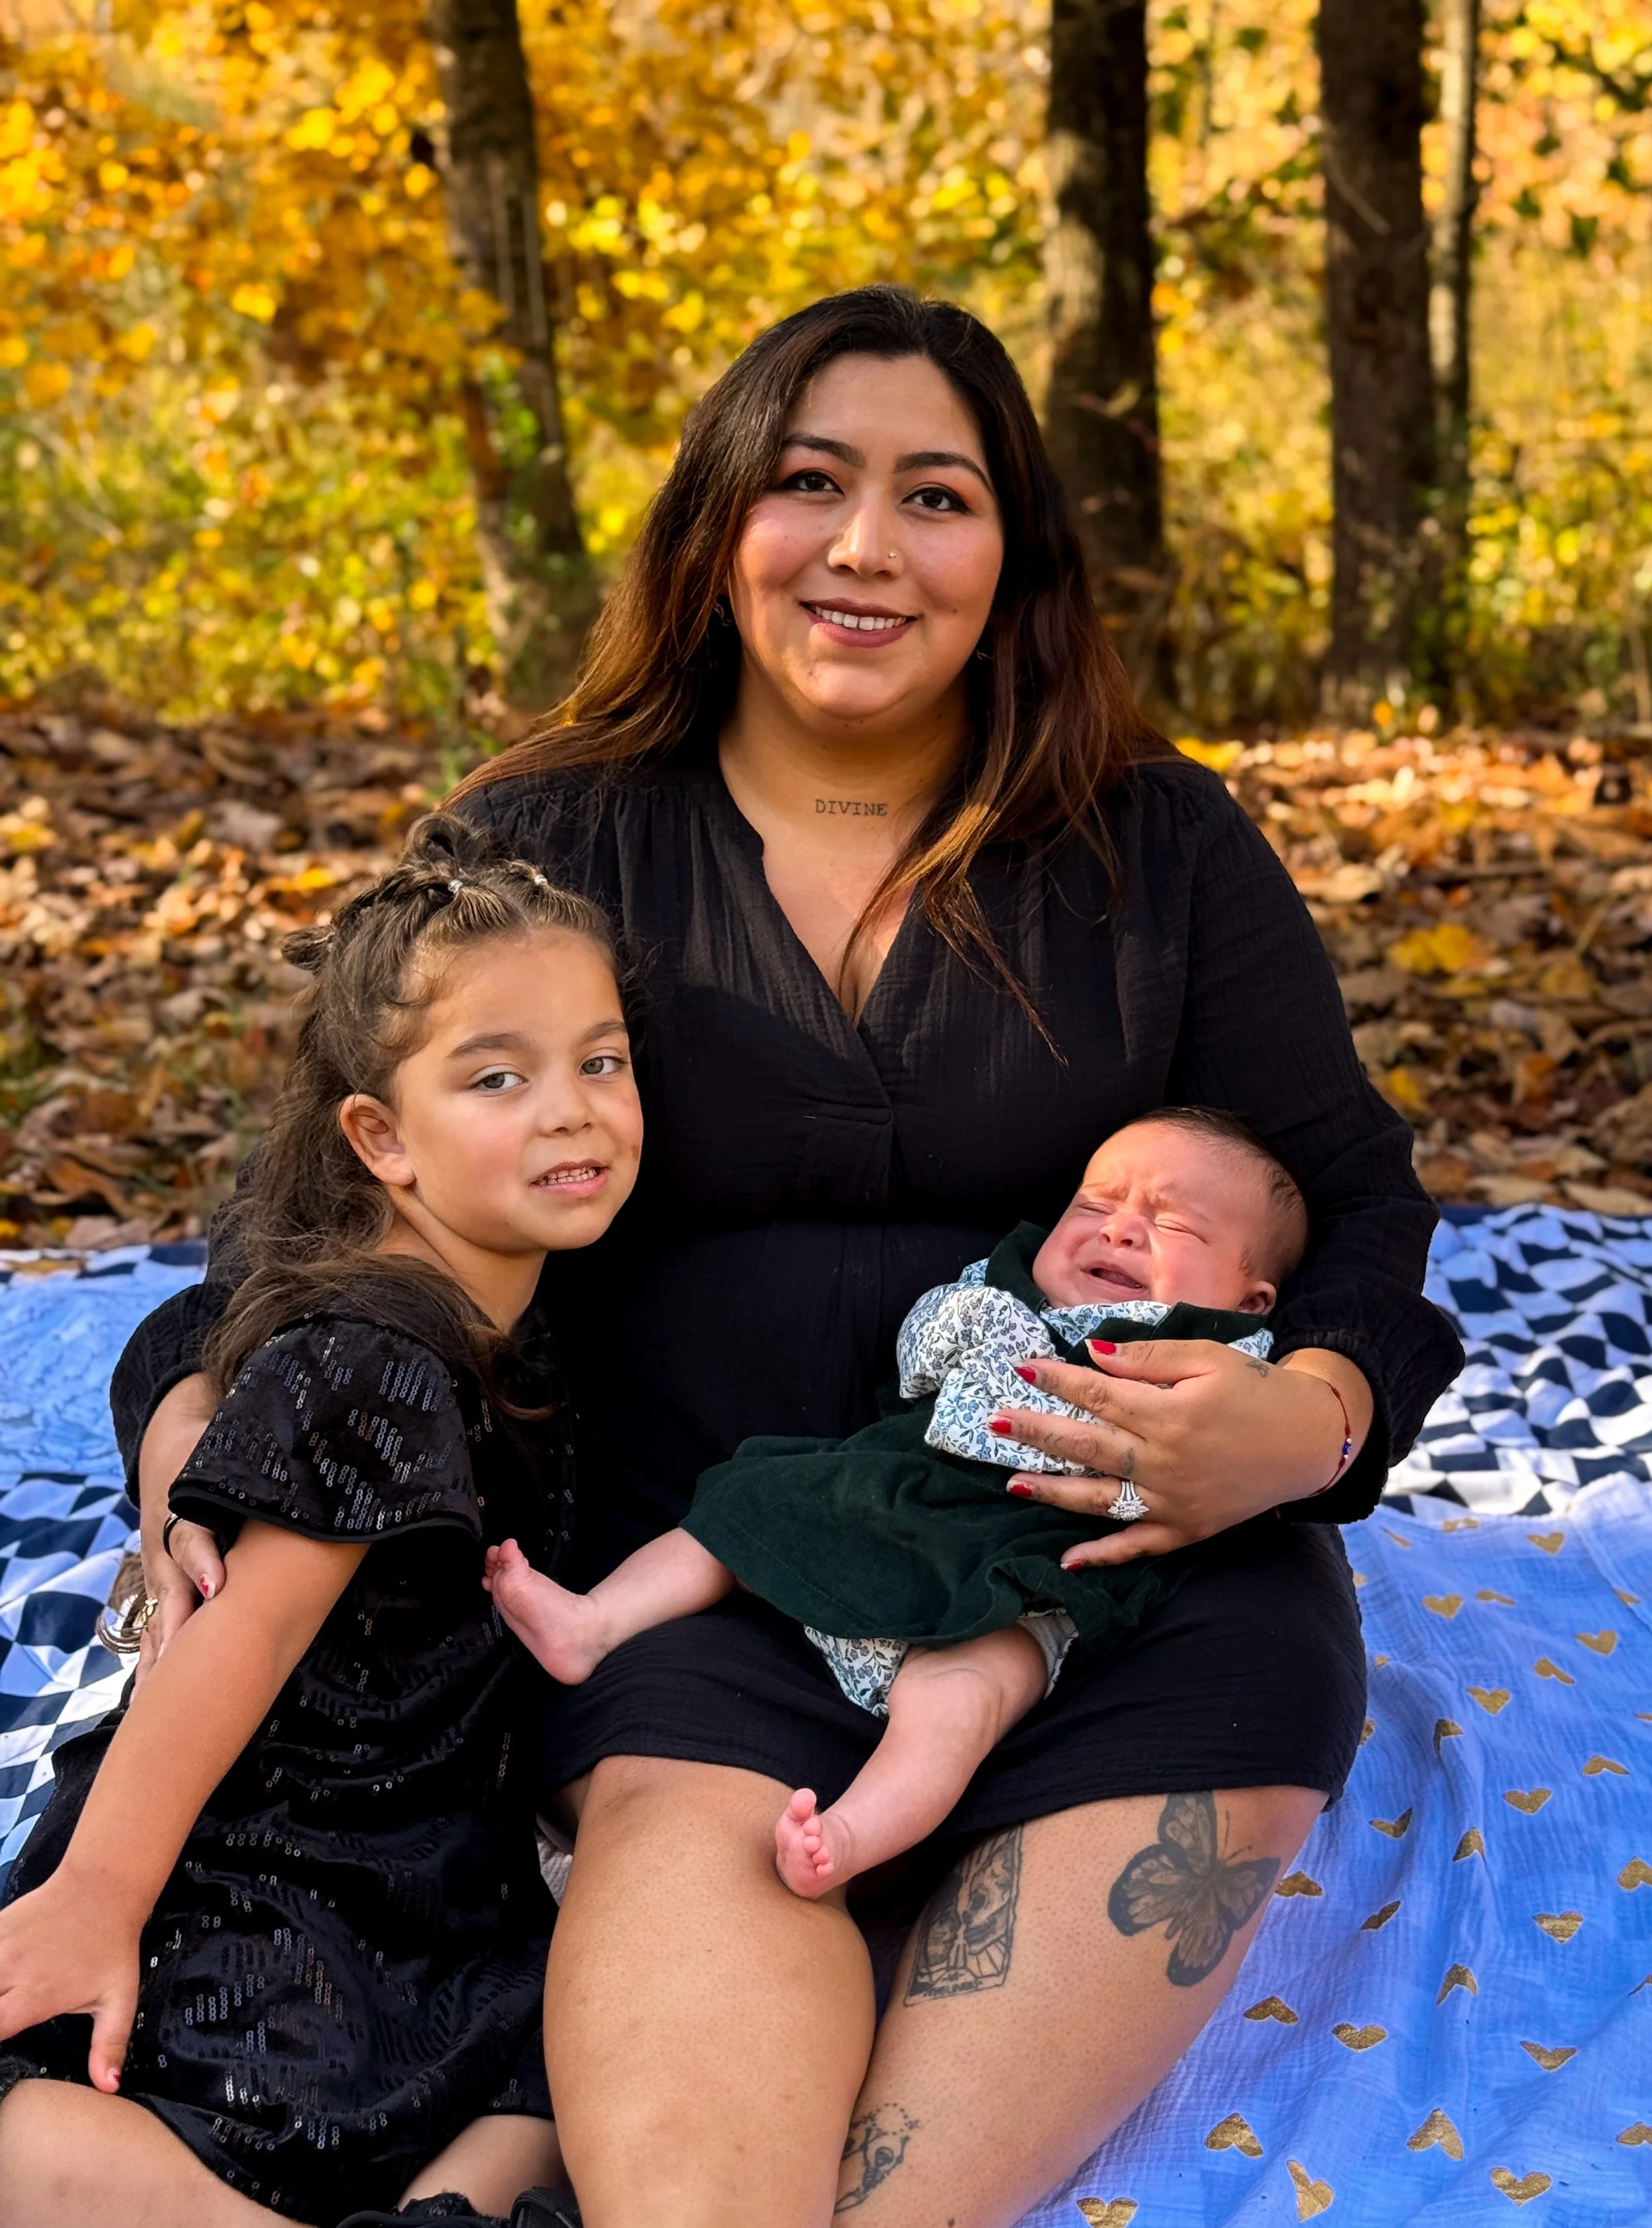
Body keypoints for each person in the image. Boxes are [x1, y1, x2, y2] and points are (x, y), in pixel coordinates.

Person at [106, 285, 1463, 2228]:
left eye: (935, 494)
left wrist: (1308, 1418)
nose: (860, 547)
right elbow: (299, 1226)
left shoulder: (1157, 848)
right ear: (714, 522)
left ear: (1015, 558)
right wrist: (194, 1437)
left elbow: (1355, 1193)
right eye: (807, 481)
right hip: (686, 1592)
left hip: (1121, 1585)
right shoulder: (544, 836)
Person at [0, 819, 643, 2227]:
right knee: (137, 2110)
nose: (572, 1109)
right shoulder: (369, 1363)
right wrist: (100, 1897)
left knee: (575, 2048)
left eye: (601, 1061)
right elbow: (236, 1638)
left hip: (426, 1845)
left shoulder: (514, 1315)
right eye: (498, 1078)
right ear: (379, 1140)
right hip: (278, 1850)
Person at [484, 1107, 1318, 1901]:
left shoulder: (1226, 1359)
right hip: (900, 1493)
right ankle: (593, 1624)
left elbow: (1226, 1465)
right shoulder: (1005, 1288)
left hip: (1034, 1565)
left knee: (961, 1702)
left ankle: (848, 1838)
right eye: (1094, 1204)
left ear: (1249, 1300)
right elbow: (917, 1363)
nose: (1119, 1229)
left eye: (1173, 1225)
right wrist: (975, 1317)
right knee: (743, 1504)